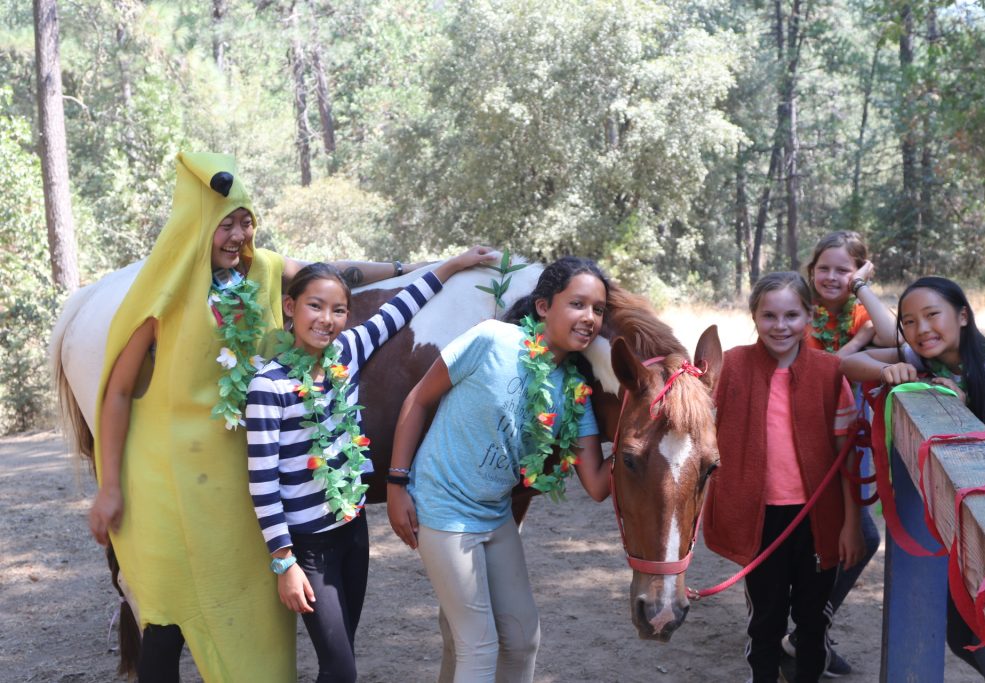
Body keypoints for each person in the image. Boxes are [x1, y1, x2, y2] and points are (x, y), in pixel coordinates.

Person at [87, 151, 430, 681]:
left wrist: (410, 269)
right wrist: (109, 487)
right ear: (196, 224)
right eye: (225, 222)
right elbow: (117, 392)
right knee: (169, 616)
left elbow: (332, 276)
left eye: (246, 220)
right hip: (171, 482)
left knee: (248, 605)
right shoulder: (161, 299)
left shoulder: (265, 271)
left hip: (245, 479)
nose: (238, 234)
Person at [246, 249, 493, 683]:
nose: (327, 319)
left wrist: (452, 264)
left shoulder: (348, 351)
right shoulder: (268, 385)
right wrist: (285, 563)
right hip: (308, 547)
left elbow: (399, 309)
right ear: (290, 307)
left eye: (338, 310)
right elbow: (263, 483)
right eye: (315, 306)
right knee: (341, 671)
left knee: (342, 660)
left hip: (353, 532)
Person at [386, 256, 614, 682]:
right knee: (479, 646)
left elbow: (598, 485)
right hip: (444, 508)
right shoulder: (492, 339)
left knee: (524, 639)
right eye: (578, 304)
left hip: (495, 515)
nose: (589, 318)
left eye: (598, 310)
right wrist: (397, 484)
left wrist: (639, 441)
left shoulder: (575, 390)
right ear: (544, 306)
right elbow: (418, 400)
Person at [841, 276, 985, 681]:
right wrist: (894, 367)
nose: (921, 329)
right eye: (908, 321)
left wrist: (973, 428)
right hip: (977, 524)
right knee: (961, 634)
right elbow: (847, 363)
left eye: (931, 315)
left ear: (962, 316)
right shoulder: (932, 357)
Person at [703, 271, 865, 683]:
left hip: (818, 520)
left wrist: (849, 523)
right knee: (766, 621)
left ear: (808, 316)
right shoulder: (733, 365)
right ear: (754, 316)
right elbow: (700, 427)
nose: (780, 326)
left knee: (812, 623)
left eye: (792, 315)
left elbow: (847, 457)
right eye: (769, 315)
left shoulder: (830, 373)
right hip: (761, 520)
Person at [785, 230, 896, 676]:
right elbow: (812, 369)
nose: (831, 277)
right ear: (810, 271)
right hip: (801, 438)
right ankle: (802, 632)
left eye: (843, 270)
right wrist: (855, 349)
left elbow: (898, 339)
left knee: (855, 537)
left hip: (848, 438)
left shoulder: (860, 312)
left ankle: (809, 632)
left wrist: (864, 289)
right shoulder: (795, 310)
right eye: (823, 268)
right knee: (846, 535)